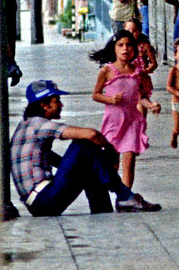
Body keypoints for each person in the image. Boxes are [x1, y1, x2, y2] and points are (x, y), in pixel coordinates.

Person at [10, 79, 160, 215]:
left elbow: (54, 160)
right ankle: (124, 196)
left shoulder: (26, 126)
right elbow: (90, 134)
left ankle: (104, 210)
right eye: (57, 101)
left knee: (87, 160)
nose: (61, 105)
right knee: (83, 144)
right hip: (44, 199)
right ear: (45, 105)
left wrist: (93, 163)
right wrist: (110, 151)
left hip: (39, 203)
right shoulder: (39, 124)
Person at [90, 30, 160, 189]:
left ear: (134, 49)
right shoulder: (107, 71)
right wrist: (110, 100)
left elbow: (141, 97)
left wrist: (151, 105)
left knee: (129, 162)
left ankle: (126, 196)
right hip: (113, 123)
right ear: (114, 48)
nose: (125, 49)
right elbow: (95, 94)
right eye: (120, 45)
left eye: (129, 45)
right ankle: (113, 192)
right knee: (112, 164)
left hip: (131, 122)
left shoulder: (138, 72)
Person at [123, 18, 158, 113]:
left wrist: (145, 71)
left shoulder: (144, 46)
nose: (131, 33)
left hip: (141, 80)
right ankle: (151, 106)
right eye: (128, 31)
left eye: (134, 31)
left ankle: (151, 107)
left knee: (140, 105)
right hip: (127, 81)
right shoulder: (122, 47)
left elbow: (154, 63)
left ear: (139, 32)